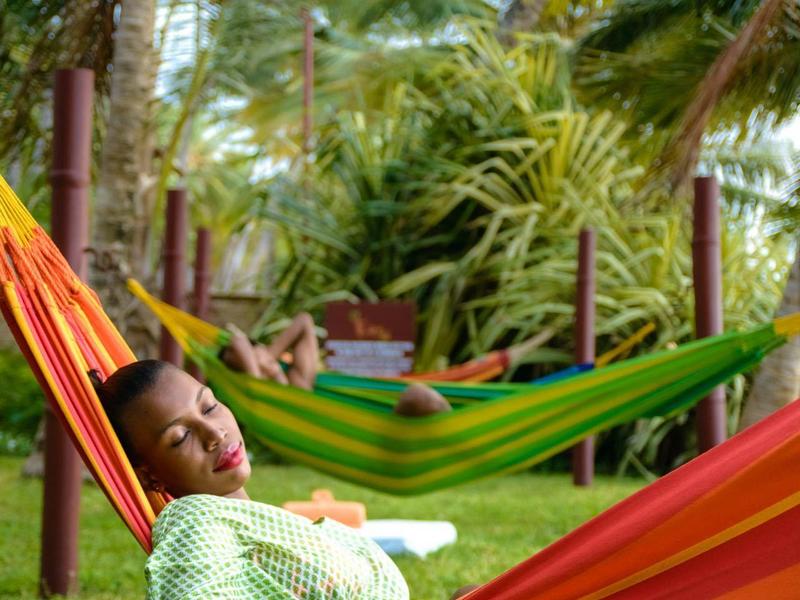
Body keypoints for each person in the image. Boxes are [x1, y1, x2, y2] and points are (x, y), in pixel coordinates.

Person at [90, 360, 477, 599]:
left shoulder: (239, 520)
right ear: (148, 475)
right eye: (181, 437)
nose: (215, 433)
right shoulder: (194, 525)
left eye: (209, 406)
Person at [219, 313, 453, 417]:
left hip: (361, 416)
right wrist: (259, 372)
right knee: (417, 397)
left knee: (420, 396)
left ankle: (450, 426)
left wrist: (270, 356)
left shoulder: (298, 379)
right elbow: (238, 341)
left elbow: (304, 320)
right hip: (360, 428)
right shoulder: (265, 392)